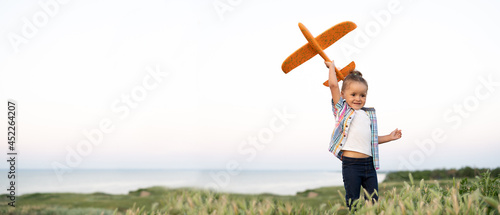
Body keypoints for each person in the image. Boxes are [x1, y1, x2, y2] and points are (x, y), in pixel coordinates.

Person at [325, 61, 402, 210]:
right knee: (353, 202)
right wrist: (332, 67)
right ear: (343, 95)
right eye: (353, 94)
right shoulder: (343, 111)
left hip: (369, 165)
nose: (358, 98)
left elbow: (371, 140)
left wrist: (389, 137)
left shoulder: (367, 115)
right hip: (351, 165)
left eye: (362, 95)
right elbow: (333, 85)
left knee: (372, 203)